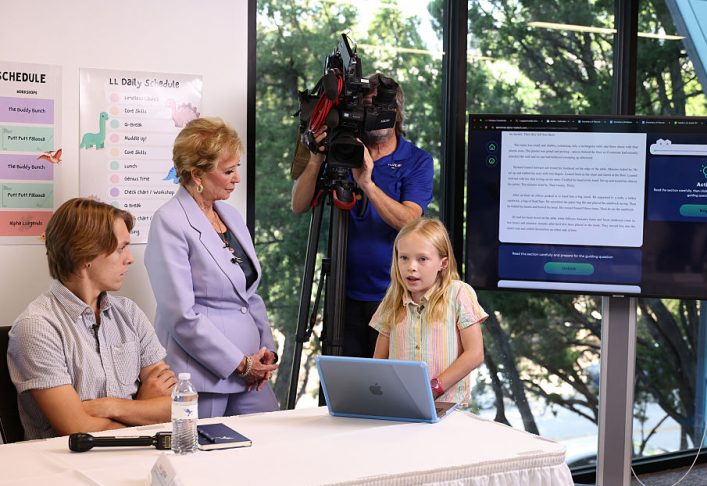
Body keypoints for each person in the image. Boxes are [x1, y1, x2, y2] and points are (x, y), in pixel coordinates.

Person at [291, 73, 434, 358]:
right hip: (342, 296)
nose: (373, 114)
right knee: (345, 389)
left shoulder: (417, 160)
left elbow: (410, 222)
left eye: (380, 106)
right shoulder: (343, 150)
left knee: (389, 388)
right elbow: (299, 204)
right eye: (366, 106)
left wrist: (367, 183)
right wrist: (317, 157)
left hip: (395, 296)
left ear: (397, 112)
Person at [7, 198, 175, 439]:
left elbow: (173, 407)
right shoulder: (36, 327)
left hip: (134, 458)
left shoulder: (129, 313)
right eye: (120, 248)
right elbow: (77, 429)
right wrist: (143, 406)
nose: (130, 258)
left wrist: (111, 406)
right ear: (86, 255)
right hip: (64, 468)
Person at [145, 117, 279, 418]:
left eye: (237, 169)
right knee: (205, 459)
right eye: (228, 171)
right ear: (197, 174)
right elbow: (180, 315)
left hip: (251, 375)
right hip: (203, 377)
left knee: (272, 446)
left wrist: (265, 351)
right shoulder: (169, 221)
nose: (236, 179)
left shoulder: (230, 214)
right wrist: (240, 364)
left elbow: (250, 294)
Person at [370, 218, 488, 404]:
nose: (411, 267)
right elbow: (378, 362)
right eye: (404, 258)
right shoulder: (391, 300)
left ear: (443, 263)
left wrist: (433, 389)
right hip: (400, 405)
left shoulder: (458, 293)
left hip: (448, 408)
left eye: (422, 259)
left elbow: (475, 354)